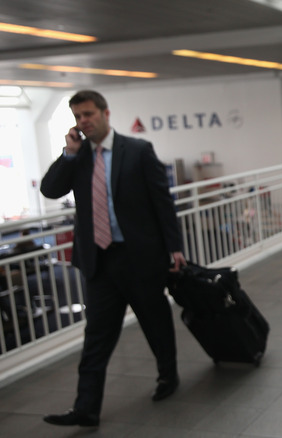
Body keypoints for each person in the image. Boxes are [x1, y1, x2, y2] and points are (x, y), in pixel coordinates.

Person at [40, 90, 186, 428]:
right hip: (100, 263)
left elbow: (162, 203)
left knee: (156, 323)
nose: (84, 121)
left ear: (106, 113)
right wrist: (68, 153)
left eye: (89, 114)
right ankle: (86, 407)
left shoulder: (137, 150)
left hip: (140, 258)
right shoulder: (77, 158)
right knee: (96, 337)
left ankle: (168, 376)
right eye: (78, 117)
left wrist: (174, 248)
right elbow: (50, 189)